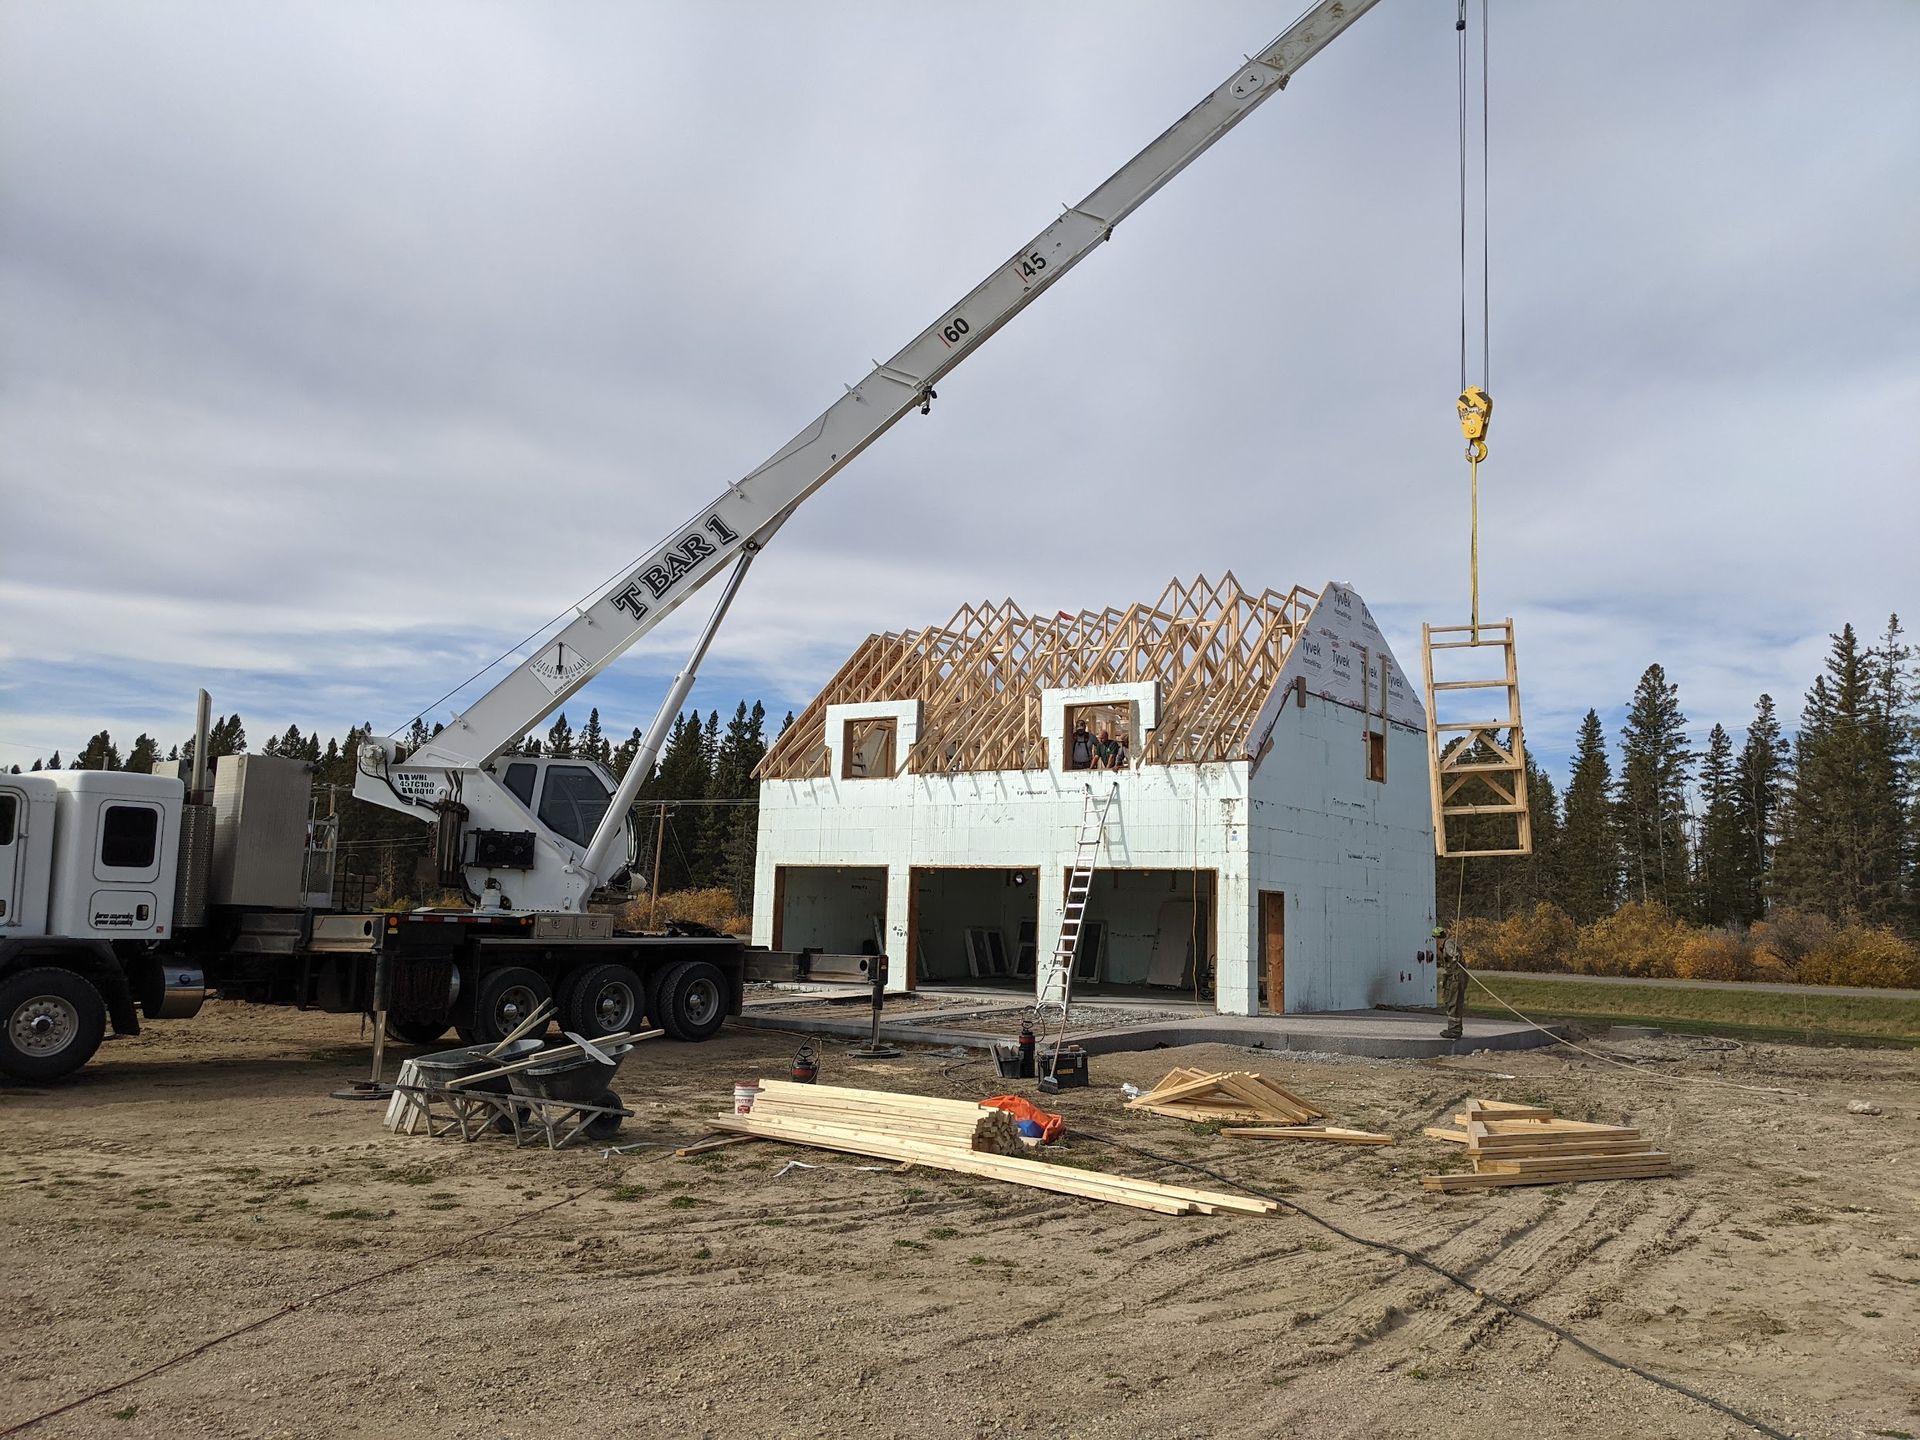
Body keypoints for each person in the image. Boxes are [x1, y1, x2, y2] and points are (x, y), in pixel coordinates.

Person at [1434, 925, 1466, 1040]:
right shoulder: (1444, 945)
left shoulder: (1448, 944)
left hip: (1456, 977)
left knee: (1454, 1002)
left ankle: (1455, 1030)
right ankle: (1454, 1028)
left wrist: (1454, 955)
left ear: (1437, 938)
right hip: (1452, 977)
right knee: (1450, 1001)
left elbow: (1453, 953)